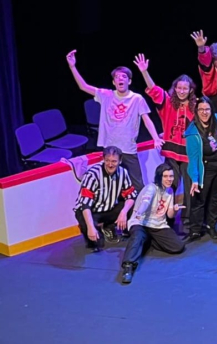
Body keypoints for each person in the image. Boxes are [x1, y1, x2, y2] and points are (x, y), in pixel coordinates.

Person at [66, 50, 163, 191]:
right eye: (117, 77)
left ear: (129, 81)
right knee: (111, 187)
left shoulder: (137, 99)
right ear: (114, 82)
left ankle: (140, 212)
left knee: (137, 184)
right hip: (110, 148)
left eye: (124, 76)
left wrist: (156, 138)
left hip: (128, 149)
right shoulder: (106, 95)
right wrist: (72, 67)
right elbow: (83, 87)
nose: (120, 79)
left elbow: (146, 119)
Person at [133, 54, 196, 226]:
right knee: (169, 186)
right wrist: (145, 72)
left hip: (189, 155)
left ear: (190, 90)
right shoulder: (167, 102)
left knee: (190, 188)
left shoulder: (195, 107)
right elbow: (154, 90)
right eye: (179, 88)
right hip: (171, 153)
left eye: (186, 88)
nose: (182, 91)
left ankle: (188, 220)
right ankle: (165, 218)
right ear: (175, 88)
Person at [120, 163, 185, 284]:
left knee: (178, 247)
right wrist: (140, 211)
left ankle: (149, 241)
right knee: (137, 237)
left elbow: (170, 215)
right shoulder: (151, 188)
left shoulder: (170, 191)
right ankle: (128, 267)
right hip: (141, 222)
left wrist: (175, 210)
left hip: (158, 225)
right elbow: (146, 201)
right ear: (159, 177)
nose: (169, 179)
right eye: (165, 176)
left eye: (171, 176)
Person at [184, 97, 217, 242]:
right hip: (207, 168)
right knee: (200, 200)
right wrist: (194, 179)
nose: (204, 112)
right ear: (196, 111)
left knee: (215, 198)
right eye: (201, 109)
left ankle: (211, 225)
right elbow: (193, 159)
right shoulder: (193, 132)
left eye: (207, 109)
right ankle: (195, 230)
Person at [73, 146, 137, 252]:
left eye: (114, 161)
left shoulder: (123, 173)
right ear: (103, 159)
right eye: (107, 160)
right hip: (90, 212)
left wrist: (123, 213)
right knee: (97, 244)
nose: (110, 164)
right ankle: (91, 230)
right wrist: (90, 227)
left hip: (109, 208)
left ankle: (109, 226)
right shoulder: (92, 175)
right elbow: (85, 205)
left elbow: (131, 196)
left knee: (132, 206)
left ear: (120, 161)